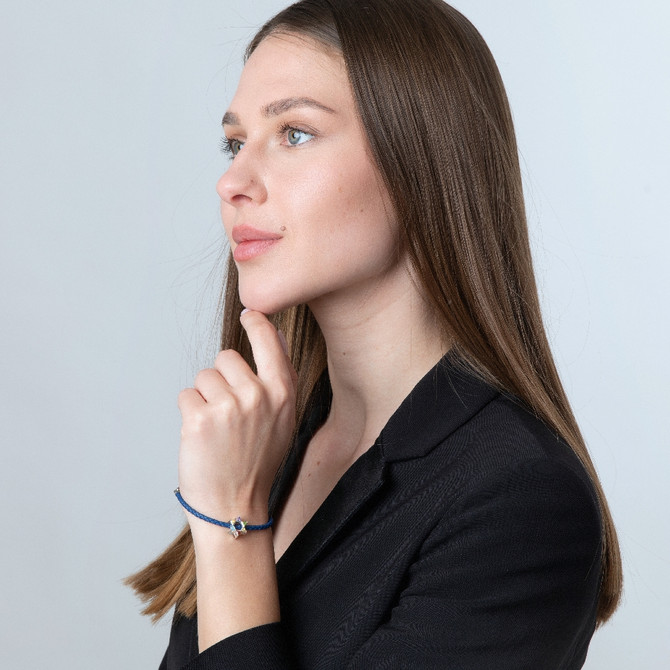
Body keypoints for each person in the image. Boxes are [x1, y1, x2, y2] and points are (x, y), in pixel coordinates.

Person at [127, 1, 622, 667]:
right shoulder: (269, 443)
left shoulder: (520, 498)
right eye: (235, 142)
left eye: (295, 134)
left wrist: (231, 528)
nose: (233, 181)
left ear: (420, 159)